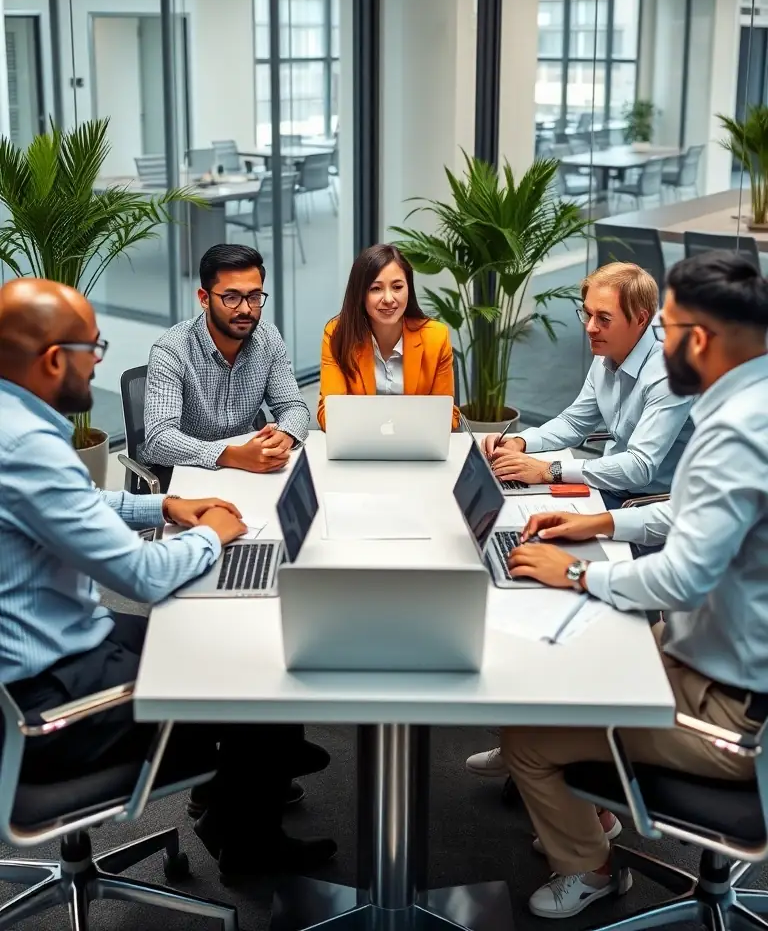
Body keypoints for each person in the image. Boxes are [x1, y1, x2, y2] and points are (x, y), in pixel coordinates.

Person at [0, 277, 336, 878]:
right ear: (54, 360)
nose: (96, 364)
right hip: (48, 702)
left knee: (227, 639)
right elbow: (143, 576)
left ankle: (233, 804)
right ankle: (247, 847)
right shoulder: (25, 445)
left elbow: (72, 504)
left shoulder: (11, 423)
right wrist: (213, 535)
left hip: (49, 650)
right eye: (92, 351)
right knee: (258, 665)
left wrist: (164, 508)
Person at [497, 252, 768, 919]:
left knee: (525, 740)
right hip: (725, 653)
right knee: (566, 651)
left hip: (733, 714)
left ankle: (590, 870)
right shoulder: (752, 405)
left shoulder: (734, 431)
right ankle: (592, 812)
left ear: (695, 339)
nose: (660, 343)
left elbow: (682, 573)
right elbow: (688, 514)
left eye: (668, 329)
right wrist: (602, 519)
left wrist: (583, 570)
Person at [483, 262, 694, 509]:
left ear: (640, 319)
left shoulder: (669, 376)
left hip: (648, 505)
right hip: (606, 484)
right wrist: (522, 442)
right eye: (587, 314)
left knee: (536, 528)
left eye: (603, 318)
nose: (590, 328)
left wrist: (549, 470)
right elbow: (574, 422)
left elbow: (639, 467)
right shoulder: (606, 355)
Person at [143, 243, 310, 482]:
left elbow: (293, 406)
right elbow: (159, 439)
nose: (245, 309)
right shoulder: (172, 349)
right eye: (231, 297)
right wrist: (233, 456)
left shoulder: (268, 338)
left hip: (249, 470)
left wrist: (285, 434)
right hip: (187, 474)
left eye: (254, 297)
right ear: (204, 298)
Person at [317, 243, 459, 430]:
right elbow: (330, 414)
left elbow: (447, 416)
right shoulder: (338, 335)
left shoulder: (436, 336)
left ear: (409, 288)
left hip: (416, 449)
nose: (389, 299)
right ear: (360, 293)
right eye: (376, 289)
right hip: (360, 447)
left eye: (397, 287)